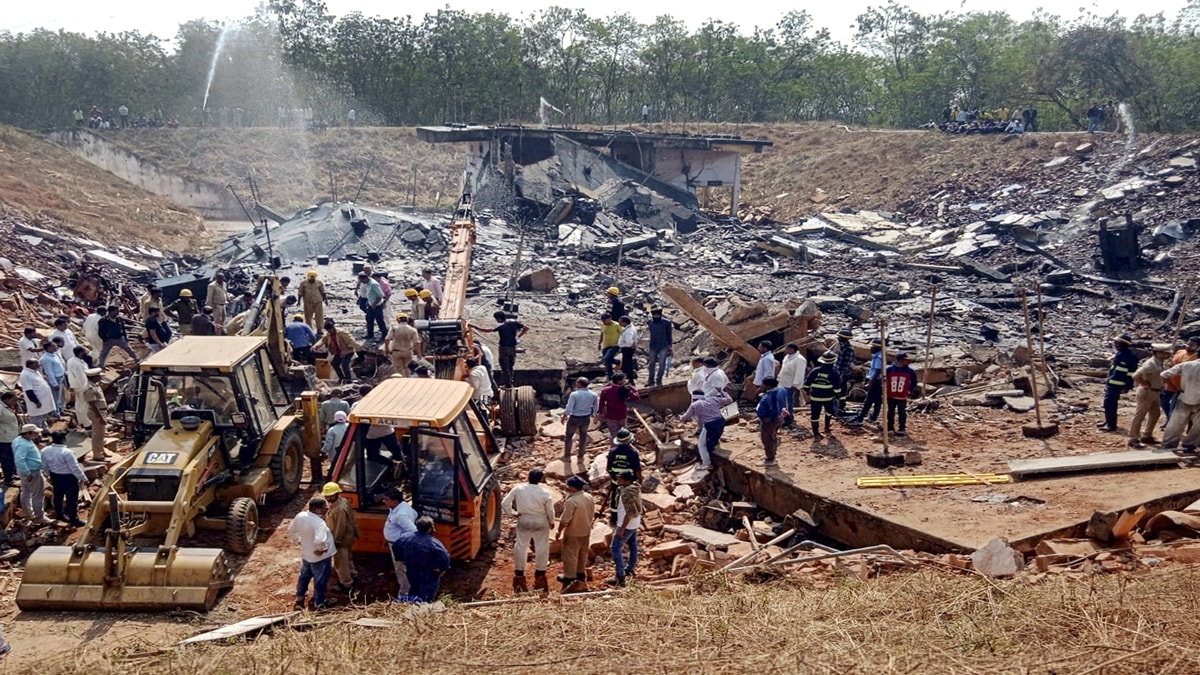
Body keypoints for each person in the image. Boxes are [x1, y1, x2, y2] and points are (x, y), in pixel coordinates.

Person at [502, 469, 555, 593]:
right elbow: (550, 510)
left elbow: (505, 503)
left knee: (521, 545)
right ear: (541, 479)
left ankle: (519, 573)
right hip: (541, 520)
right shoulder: (544, 492)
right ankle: (540, 573)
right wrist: (551, 521)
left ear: (528, 477)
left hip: (524, 518)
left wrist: (512, 514)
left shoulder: (518, 489)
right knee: (542, 546)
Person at [288, 496, 336, 610]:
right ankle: (319, 603)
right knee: (320, 580)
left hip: (307, 554)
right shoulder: (319, 523)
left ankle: (300, 597)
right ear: (317, 509)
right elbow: (320, 540)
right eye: (325, 506)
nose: (327, 508)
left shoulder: (301, 516)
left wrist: (297, 540)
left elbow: (291, 530)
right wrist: (321, 549)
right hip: (321, 558)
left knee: (304, 576)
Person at [391, 516, 450, 603]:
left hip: (411, 570)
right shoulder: (434, 543)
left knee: (414, 590)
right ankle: (422, 610)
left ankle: (411, 606)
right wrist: (441, 569)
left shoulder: (405, 537)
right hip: (428, 573)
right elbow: (445, 557)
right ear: (430, 529)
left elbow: (395, 545)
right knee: (426, 596)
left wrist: (401, 559)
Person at [1129, 343, 1172, 448]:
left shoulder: (1159, 363)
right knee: (1140, 415)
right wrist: (1144, 384)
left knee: (1155, 414)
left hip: (1155, 392)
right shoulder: (1151, 364)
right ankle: (1133, 438)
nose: (1168, 355)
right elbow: (1136, 375)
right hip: (1147, 392)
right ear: (1158, 353)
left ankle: (1147, 435)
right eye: (1165, 353)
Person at [41, 431, 87, 526]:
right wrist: (83, 478)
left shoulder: (45, 450)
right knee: (71, 499)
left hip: (55, 476)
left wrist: (48, 474)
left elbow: (44, 465)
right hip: (68, 477)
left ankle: (60, 515)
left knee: (58, 496)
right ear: (64, 439)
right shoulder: (68, 452)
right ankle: (73, 519)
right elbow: (74, 467)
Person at [556, 475, 593, 593]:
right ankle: (581, 575)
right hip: (586, 531)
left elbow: (565, 519)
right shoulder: (589, 497)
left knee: (570, 556)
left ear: (573, 488)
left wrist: (559, 531)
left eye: (568, 486)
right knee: (583, 553)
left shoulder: (572, 501)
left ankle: (570, 578)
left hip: (573, 532)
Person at [680, 389, 734, 470]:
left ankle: (706, 463)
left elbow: (684, 418)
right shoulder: (713, 399)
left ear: (693, 397)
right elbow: (730, 400)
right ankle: (712, 449)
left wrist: (679, 417)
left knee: (701, 445)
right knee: (713, 440)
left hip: (710, 425)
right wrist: (722, 391)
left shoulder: (694, 405)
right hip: (721, 422)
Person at [470, 312, 527, 388]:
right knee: (510, 366)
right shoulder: (514, 323)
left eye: (496, 319)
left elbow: (487, 330)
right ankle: (511, 382)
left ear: (499, 318)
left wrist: (474, 326)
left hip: (504, 348)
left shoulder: (501, 325)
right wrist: (518, 337)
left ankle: (508, 385)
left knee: (504, 366)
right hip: (513, 348)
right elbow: (526, 328)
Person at [606, 470, 643, 587]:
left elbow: (629, 513)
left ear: (627, 481)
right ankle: (630, 568)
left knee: (615, 548)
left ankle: (620, 576)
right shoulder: (635, 488)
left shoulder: (627, 493)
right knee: (633, 545)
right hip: (635, 523)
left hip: (627, 524)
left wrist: (622, 529)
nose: (618, 481)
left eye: (620, 479)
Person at [322, 482, 359, 594]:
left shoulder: (339, 509)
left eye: (330, 496)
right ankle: (353, 573)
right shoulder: (343, 501)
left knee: (340, 563)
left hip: (341, 539)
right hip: (348, 537)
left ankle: (346, 584)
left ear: (337, 494)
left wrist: (336, 541)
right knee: (347, 557)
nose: (328, 498)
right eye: (327, 496)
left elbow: (340, 526)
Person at [382, 487, 418, 599]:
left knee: (400, 569)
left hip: (399, 546)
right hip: (395, 542)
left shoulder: (400, 515)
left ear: (395, 501)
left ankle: (404, 593)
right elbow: (415, 515)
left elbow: (413, 531)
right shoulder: (400, 507)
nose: (384, 502)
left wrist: (400, 541)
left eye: (386, 500)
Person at [1160, 356, 1200, 452]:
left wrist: (1174, 387)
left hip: (1184, 397)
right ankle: (1189, 445)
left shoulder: (1186, 365)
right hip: (1199, 401)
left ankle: (1168, 445)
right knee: (1198, 426)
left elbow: (1164, 374)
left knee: (1175, 423)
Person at [1100, 334, 1138, 432]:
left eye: (1117, 343)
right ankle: (1108, 421)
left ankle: (1111, 425)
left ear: (1122, 344)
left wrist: (1128, 386)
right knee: (1109, 403)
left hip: (1117, 384)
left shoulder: (1129, 356)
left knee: (1110, 403)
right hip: (1112, 383)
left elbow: (1131, 372)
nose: (1115, 344)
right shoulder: (1121, 354)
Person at [14, 425, 52, 524]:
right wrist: (27, 473)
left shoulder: (19, 440)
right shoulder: (23, 445)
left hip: (25, 472)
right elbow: (19, 460)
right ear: (28, 433)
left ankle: (28, 513)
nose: (37, 434)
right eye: (35, 433)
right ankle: (39, 516)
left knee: (26, 492)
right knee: (37, 495)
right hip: (31, 472)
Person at [606, 428, 642, 525]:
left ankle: (614, 519)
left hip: (616, 481)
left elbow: (608, 468)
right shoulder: (633, 453)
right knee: (630, 500)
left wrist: (614, 477)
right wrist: (640, 480)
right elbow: (637, 470)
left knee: (615, 500)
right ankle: (629, 520)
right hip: (629, 483)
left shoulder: (612, 452)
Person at [804, 351, 841, 442]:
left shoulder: (815, 371)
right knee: (829, 412)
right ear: (833, 362)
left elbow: (806, 386)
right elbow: (837, 389)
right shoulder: (834, 372)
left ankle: (816, 434)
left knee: (815, 416)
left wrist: (808, 392)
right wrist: (838, 397)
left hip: (815, 398)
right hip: (828, 398)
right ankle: (827, 427)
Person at [562, 377, 599, 463]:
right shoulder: (593, 395)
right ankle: (580, 457)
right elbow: (596, 408)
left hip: (574, 418)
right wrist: (596, 417)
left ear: (579, 384)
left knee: (569, 437)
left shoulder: (574, 394)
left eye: (577, 382)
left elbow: (569, 408)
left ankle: (567, 457)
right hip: (586, 418)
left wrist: (564, 417)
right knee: (583, 436)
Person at [1162, 337, 1200, 421]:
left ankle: (1170, 422)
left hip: (1182, 387)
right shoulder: (1180, 352)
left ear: (1197, 347)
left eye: (1192, 345)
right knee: (1164, 402)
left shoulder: (1196, 358)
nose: (1189, 346)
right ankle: (1169, 419)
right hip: (1170, 383)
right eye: (1188, 344)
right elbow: (1171, 364)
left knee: (1175, 406)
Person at [755, 377, 789, 466]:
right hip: (779, 417)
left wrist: (769, 419)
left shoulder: (772, 397)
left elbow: (774, 409)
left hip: (770, 419)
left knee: (767, 439)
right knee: (772, 436)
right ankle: (772, 454)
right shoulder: (781, 389)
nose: (761, 385)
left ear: (768, 386)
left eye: (763, 384)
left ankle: (770, 459)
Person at [852, 338, 885, 426]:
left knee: (869, 400)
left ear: (876, 348)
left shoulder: (879, 357)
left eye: (872, 347)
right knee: (877, 400)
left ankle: (860, 417)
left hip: (875, 381)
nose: (870, 349)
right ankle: (873, 417)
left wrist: (870, 383)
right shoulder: (877, 356)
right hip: (877, 380)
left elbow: (878, 371)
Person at [886, 353, 918, 437]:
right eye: (905, 360)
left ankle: (902, 428)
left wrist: (910, 390)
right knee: (890, 411)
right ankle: (890, 427)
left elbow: (914, 382)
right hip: (891, 394)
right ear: (900, 360)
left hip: (902, 395)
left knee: (902, 412)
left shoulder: (910, 371)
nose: (907, 361)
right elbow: (884, 379)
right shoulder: (889, 369)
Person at [598, 373, 639, 438]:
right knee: (623, 433)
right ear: (619, 381)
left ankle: (615, 446)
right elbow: (636, 397)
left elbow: (601, 403)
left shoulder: (605, 390)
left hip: (611, 415)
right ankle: (624, 445)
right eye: (624, 379)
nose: (625, 381)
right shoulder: (625, 389)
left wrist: (600, 413)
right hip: (622, 414)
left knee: (613, 433)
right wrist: (632, 387)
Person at [81, 368, 108, 462]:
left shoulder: (95, 385)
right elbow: (92, 404)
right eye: (99, 376)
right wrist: (100, 417)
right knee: (97, 434)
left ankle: (101, 450)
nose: (100, 377)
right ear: (94, 377)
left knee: (101, 433)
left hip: (101, 411)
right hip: (96, 413)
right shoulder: (89, 388)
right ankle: (97, 454)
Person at [777, 342, 808, 425]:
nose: (786, 350)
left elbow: (799, 373)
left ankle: (789, 417)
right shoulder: (787, 357)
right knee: (782, 401)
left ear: (792, 349)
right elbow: (783, 369)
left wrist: (795, 384)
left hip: (790, 384)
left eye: (787, 349)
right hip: (783, 382)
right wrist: (779, 378)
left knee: (788, 401)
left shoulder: (799, 359)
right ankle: (783, 416)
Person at [19, 359, 55, 428]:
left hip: (43, 400)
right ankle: (36, 435)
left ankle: (44, 430)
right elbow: (28, 390)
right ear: (30, 365)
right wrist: (36, 401)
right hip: (37, 401)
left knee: (43, 417)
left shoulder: (35, 372)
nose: (39, 366)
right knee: (36, 419)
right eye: (36, 364)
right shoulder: (25, 375)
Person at [645, 307, 673, 387]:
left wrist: (670, 346)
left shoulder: (667, 323)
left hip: (664, 345)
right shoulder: (649, 322)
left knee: (662, 363)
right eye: (655, 315)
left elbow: (669, 335)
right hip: (653, 345)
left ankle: (659, 380)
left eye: (658, 315)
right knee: (651, 363)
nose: (656, 316)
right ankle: (650, 380)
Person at [358, 272, 387, 341]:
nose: (361, 282)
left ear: (365, 278)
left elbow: (381, 295)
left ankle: (384, 335)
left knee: (379, 320)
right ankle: (370, 334)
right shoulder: (367, 283)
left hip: (377, 306)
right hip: (370, 304)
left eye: (362, 280)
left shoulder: (373, 284)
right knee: (369, 319)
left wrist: (374, 303)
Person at [40, 342, 66, 416]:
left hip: (61, 377)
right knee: (55, 397)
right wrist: (54, 383)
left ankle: (61, 409)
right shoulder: (46, 359)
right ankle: (55, 412)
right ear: (48, 348)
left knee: (61, 396)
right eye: (54, 346)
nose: (56, 347)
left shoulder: (55, 354)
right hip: (56, 379)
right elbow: (49, 372)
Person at [0, 392, 21, 486]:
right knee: (6, 459)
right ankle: (8, 479)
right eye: (14, 400)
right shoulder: (1, 408)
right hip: (4, 438)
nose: (15, 402)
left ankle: (12, 474)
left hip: (12, 436)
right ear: (6, 400)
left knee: (12, 457)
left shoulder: (9, 407)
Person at [834, 328, 855, 416]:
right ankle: (837, 407)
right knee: (838, 391)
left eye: (839, 337)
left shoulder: (849, 349)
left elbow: (846, 364)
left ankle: (841, 407)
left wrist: (842, 375)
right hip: (838, 372)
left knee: (842, 391)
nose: (838, 338)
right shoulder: (842, 346)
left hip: (842, 374)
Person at [598, 313, 622, 380]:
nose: (603, 322)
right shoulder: (603, 325)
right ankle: (617, 362)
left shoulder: (616, 325)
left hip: (615, 345)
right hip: (606, 345)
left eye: (604, 320)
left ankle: (610, 376)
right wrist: (599, 343)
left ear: (609, 319)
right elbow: (602, 334)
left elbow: (623, 334)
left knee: (607, 358)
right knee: (606, 360)